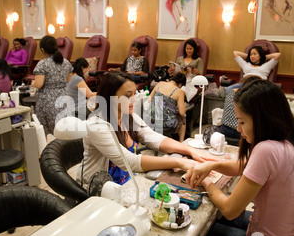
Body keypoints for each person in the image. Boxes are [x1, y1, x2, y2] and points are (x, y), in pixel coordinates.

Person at [185, 79, 294, 236]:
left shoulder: (266, 150)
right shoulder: (291, 141)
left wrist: (207, 182)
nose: (238, 129)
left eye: (241, 122)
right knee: (217, 220)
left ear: (263, 118)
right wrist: (210, 166)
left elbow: (231, 210)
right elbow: (244, 166)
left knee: (202, 233)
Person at [78, 71, 215, 186]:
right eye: (127, 95)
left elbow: (155, 139)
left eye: (134, 94)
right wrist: (180, 161)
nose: (134, 99)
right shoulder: (97, 126)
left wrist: (190, 150)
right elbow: (130, 162)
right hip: (97, 190)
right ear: (110, 97)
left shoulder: (129, 117)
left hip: (126, 183)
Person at [33, 35, 73, 135]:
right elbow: (69, 80)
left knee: (47, 131)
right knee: (65, 130)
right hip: (64, 97)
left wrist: (33, 83)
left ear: (42, 50)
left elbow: (39, 84)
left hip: (48, 100)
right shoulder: (66, 62)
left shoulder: (42, 64)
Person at [148, 72, 187, 141]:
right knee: (183, 119)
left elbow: (148, 100)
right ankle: (181, 143)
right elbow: (182, 113)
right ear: (180, 84)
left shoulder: (159, 84)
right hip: (165, 124)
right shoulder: (179, 91)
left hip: (151, 120)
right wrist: (183, 106)